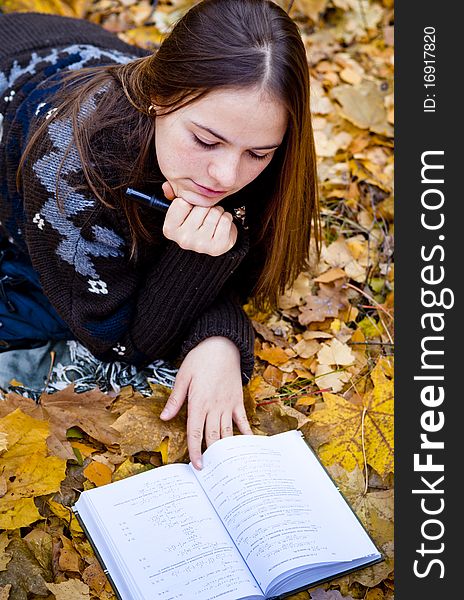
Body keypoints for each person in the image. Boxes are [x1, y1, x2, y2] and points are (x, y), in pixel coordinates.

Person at [0, 0, 320, 468]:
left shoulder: (245, 125)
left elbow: (246, 273)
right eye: (206, 141)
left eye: (259, 153)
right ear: (159, 97)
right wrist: (201, 271)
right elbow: (118, 338)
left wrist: (218, 336)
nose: (226, 174)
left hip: (74, 53)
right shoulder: (69, 166)